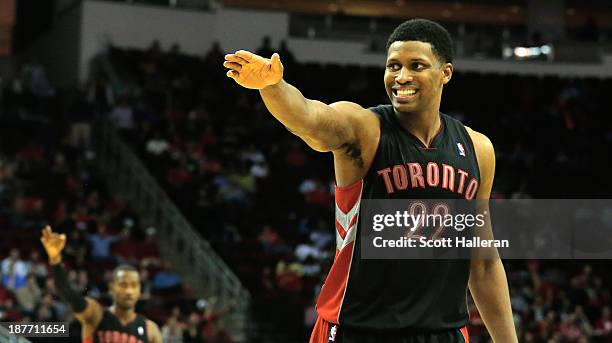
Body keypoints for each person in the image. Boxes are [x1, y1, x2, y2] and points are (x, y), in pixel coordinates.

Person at [224, 18, 517, 342]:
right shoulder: (364, 128)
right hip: (359, 329)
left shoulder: (478, 150)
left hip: (442, 332)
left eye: (416, 66)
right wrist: (273, 86)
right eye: (394, 66)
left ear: (445, 73)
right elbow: (308, 118)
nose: (402, 77)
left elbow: (484, 265)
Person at [40, 225, 162, 343]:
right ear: (112, 287)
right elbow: (68, 293)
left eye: (134, 285)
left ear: (139, 290)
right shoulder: (96, 315)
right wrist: (55, 259)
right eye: (123, 285)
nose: (129, 291)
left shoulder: (151, 330)